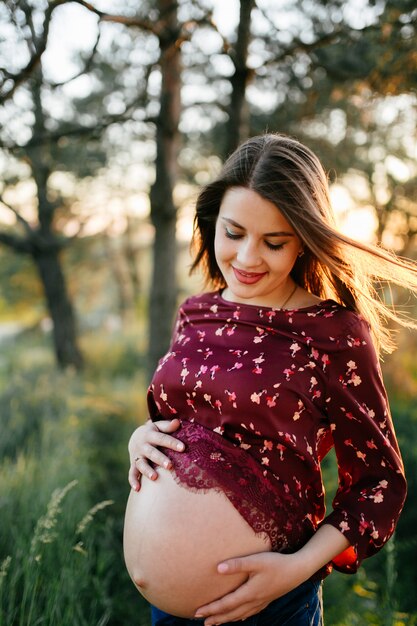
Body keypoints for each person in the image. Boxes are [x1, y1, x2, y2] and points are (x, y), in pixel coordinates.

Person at [124, 133, 417, 626]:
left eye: (273, 242)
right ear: (212, 222)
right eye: (233, 233)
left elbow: (379, 483)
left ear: (304, 239)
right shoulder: (196, 313)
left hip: (272, 607)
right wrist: (140, 438)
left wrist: (297, 569)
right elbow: (176, 429)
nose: (246, 258)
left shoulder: (333, 333)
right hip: (168, 613)